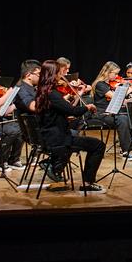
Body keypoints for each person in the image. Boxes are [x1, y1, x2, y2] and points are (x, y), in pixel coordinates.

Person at [35, 59, 106, 191]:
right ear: (53, 74)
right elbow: (73, 111)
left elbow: (61, 111)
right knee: (98, 145)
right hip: (58, 139)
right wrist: (88, 107)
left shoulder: (42, 92)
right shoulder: (52, 94)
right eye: (59, 73)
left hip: (49, 136)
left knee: (85, 139)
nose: (62, 75)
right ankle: (87, 183)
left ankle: (53, 164)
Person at [88, 61, 132, 161]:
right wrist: (131, 89)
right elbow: (115, 97)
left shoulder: (109, 84)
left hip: (111, 112)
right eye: (115, 73)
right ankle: (126, 151)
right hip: (101, 113)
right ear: (107, 72)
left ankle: (125, 146)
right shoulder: (100, 85)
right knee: (122, 119)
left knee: (128, 116)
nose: (117, 76)